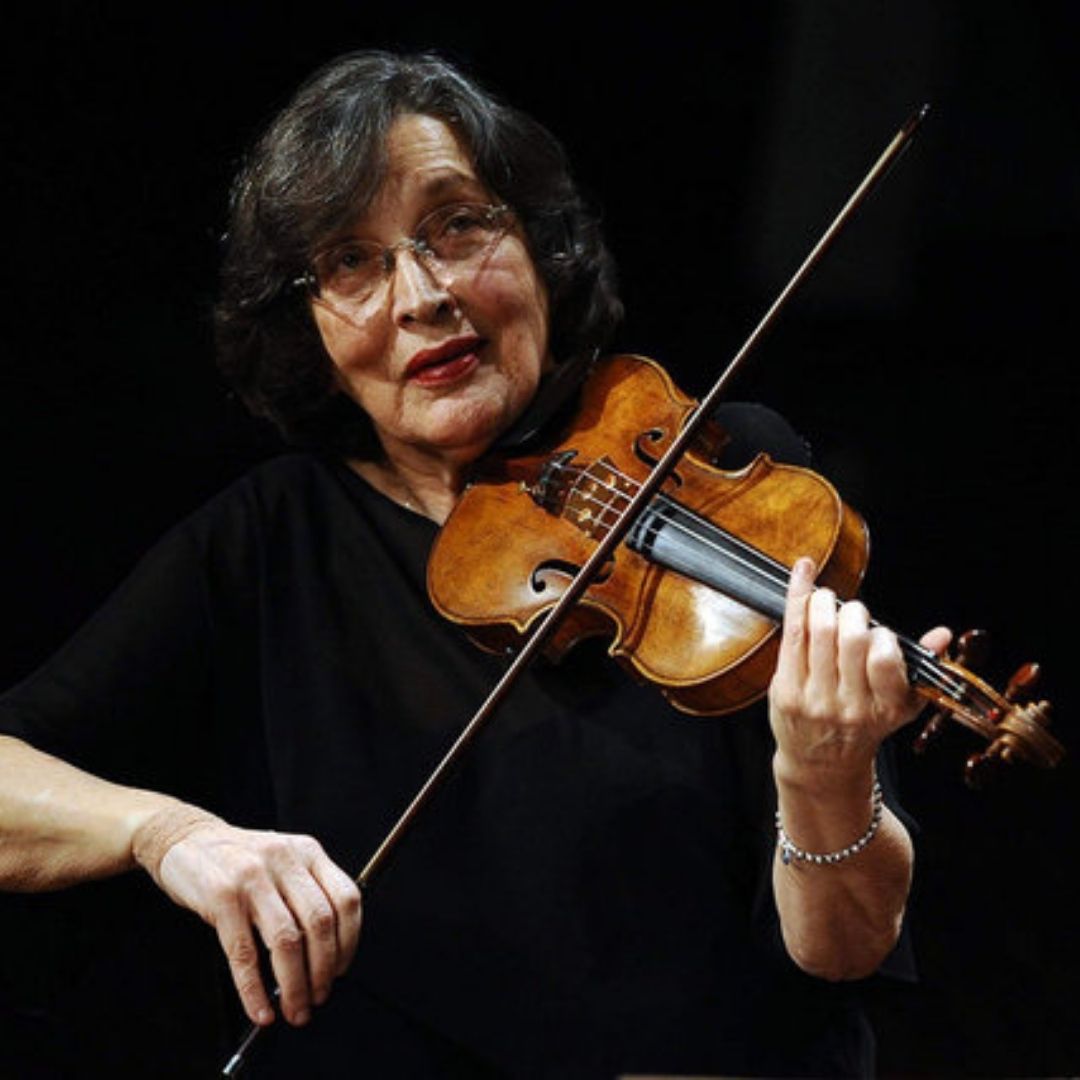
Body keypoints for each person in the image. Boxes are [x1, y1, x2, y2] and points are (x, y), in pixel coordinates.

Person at [0, 50, 949, 1078]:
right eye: (351, 261)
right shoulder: (272, 540)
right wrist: (166, 833)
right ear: (306, 330)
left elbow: (843, 951)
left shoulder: (719, 470)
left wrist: (823, 772)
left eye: (458, 225)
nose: (423, 294)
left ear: (539, 244)